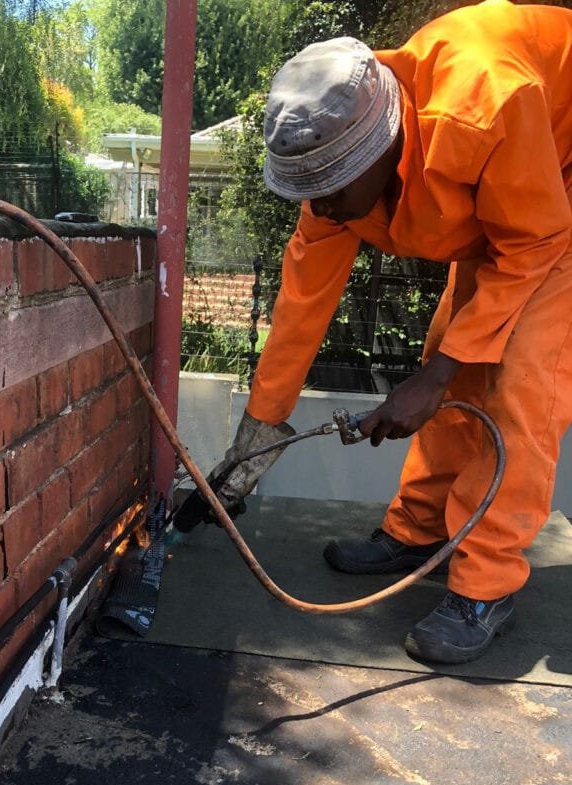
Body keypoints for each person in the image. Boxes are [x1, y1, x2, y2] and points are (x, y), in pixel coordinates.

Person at [210, 0, 572, 665]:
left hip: (558, 208)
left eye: (331, 189)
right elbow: (298, 314)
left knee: (523, 384)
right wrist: (241, 467)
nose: (319, 208)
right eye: (306, 190)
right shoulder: (335, 173)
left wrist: (431, 383)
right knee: (453, 358)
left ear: (384, 145)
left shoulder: (485, 105)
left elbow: (537, 238)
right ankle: (420, 533)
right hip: (517, 205)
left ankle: (486, 585)